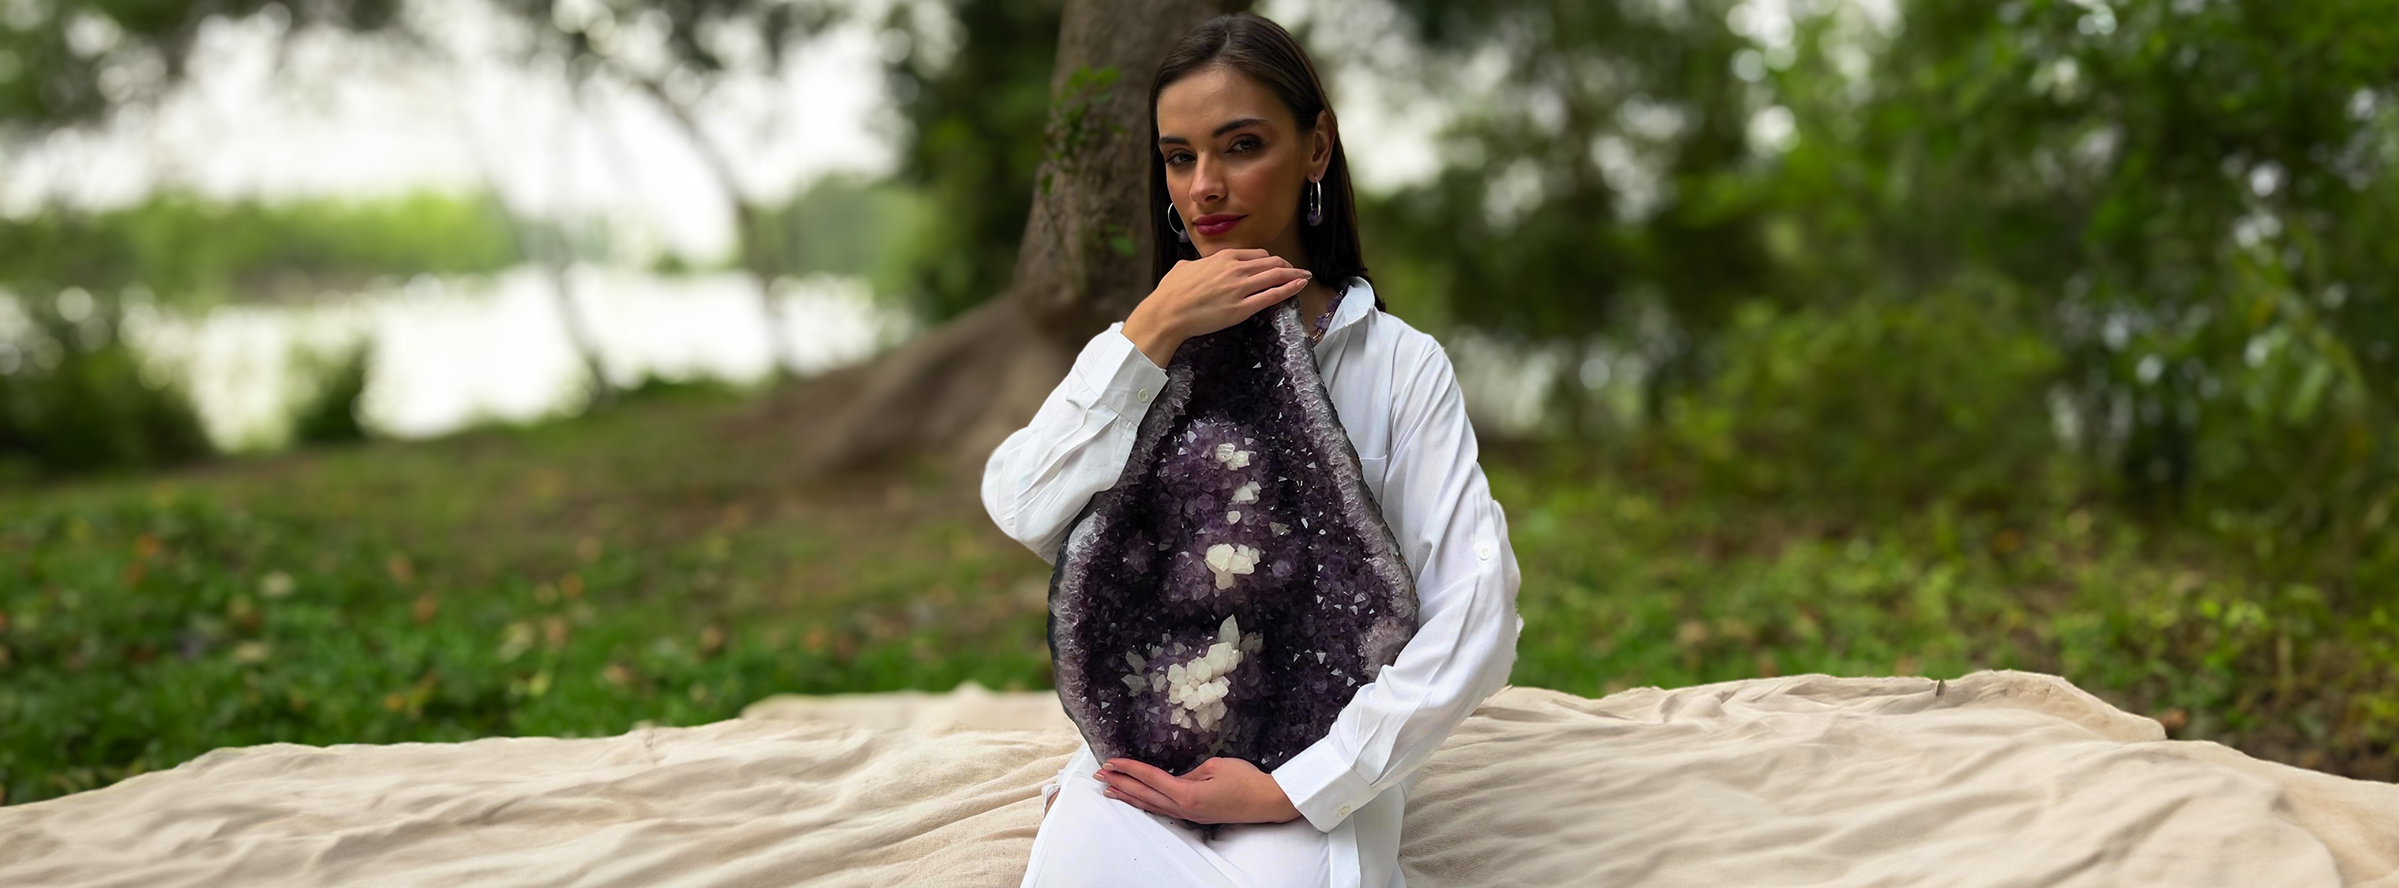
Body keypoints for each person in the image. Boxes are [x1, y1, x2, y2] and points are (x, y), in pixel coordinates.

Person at [981, 12, 1524, 888]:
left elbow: (1477, 608)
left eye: (1241, 146)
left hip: (1324, 758)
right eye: (1178, 157)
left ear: (1316, 149)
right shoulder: (1140, 352)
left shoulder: (1397, 364)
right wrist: (1148, 335)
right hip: (1149, 740)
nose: (1204, 187)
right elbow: (1022, 507)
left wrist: (1300, 787)